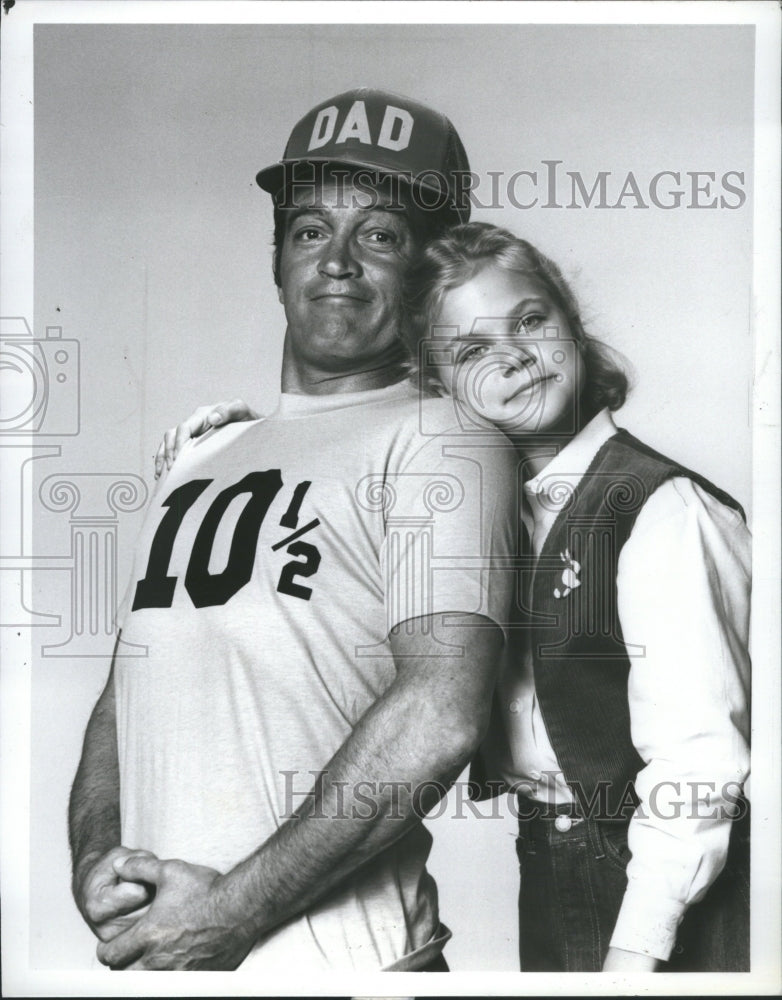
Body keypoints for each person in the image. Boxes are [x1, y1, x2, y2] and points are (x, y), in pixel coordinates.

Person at [172, 221, 751, 973]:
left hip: (660, 878)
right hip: (550, 857)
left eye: (531, 321)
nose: (512, 356)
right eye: (474, 351)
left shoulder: (659, 509)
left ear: (572, 323)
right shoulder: (480, 512)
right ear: (440, 384)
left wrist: (634, 954)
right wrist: (255, 445)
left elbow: (699, 773)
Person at [68, 91, 520, 972]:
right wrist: (96, 856)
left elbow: (440, 712)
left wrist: (230, 915)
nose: (340, 261)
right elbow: (129, 688)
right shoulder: (205, 452)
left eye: (381, 235)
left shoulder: (445, 441)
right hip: (169, 959)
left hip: (345, 970)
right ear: (276, 258)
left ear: (432, 267)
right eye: (311, 229)